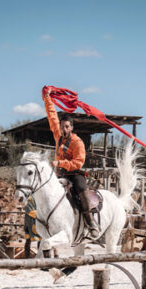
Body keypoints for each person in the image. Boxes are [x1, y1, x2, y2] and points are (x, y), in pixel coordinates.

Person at [43, 89, 100, 238]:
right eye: (62, 126)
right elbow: (51, 115)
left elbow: (78, 162)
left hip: (74, 174)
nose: (64, 129)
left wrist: (60, 162)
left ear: (71, 127)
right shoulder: (58, 135)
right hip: (60, 174)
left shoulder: (77, 142)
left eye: (67, 127)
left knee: (82, 189)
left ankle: (90, 222)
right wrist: (47, 98)